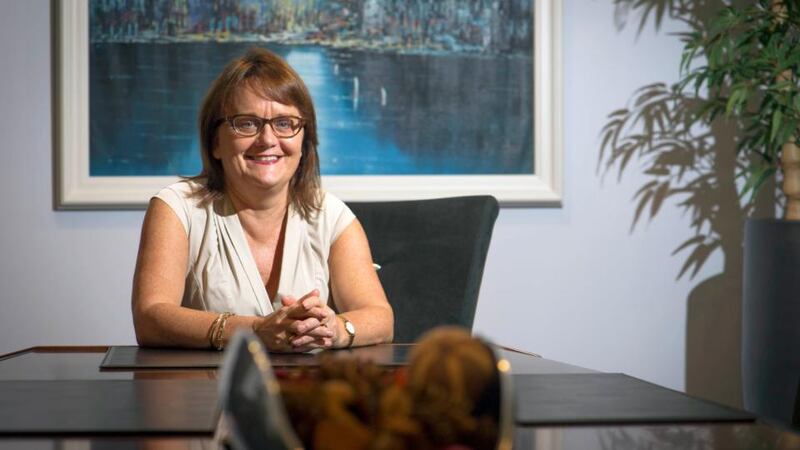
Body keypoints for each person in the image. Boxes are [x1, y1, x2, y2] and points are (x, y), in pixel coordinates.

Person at [131, 47, 393, 352]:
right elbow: (150, 317)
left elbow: (381, 318)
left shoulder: (331, 216)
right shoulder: (178, 209)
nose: (268, 140)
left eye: (284, 123)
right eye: (246, 123)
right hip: (204, 383)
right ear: (216, 142)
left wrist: (336, 328)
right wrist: (254, 331)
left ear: (304, 140)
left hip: (306, 383)